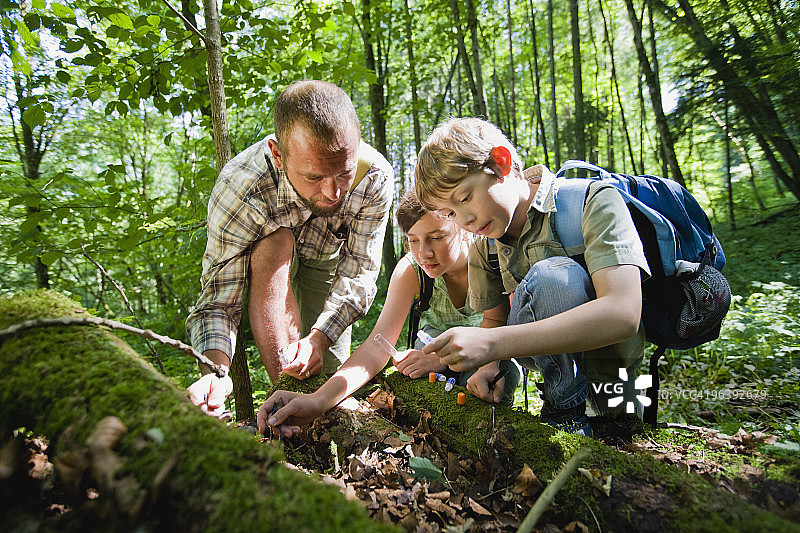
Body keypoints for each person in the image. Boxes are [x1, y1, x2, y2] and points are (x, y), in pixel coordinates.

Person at [413, 117, 651, 436]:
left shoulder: (593, 201)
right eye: (451, 214)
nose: (465, 220)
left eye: (465, 197)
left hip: (613, 367)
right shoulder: (485, 246)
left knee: (627, 437)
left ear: (501, 162)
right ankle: (564, 412)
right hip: (555, 375)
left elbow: (624, 314)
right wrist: (489, 366)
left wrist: (492, 345)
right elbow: (495, 319)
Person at [185, 80, 394, 417]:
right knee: (275, 242)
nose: (332, 193)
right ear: (279, 155)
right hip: (269, 263)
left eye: (343, 173)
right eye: (313, 176)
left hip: (326, 261)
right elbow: (219, 300)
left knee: (329, 373)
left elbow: (359, 270)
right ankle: (287, 402)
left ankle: (326, 431)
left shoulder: (375, 177)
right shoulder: (242, 186)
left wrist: (320, 338)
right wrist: (216, 373)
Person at [258, 190, 520, 438]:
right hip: (427, 356)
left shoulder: (489, 258)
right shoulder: (412, 271)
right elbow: (377, 347)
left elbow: (501, 328)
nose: (424, 253)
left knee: (497, 379)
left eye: (437, 237)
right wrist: (318, 400)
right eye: (413, 240)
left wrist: (442, 361)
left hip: (488, 356)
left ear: (462, 227)